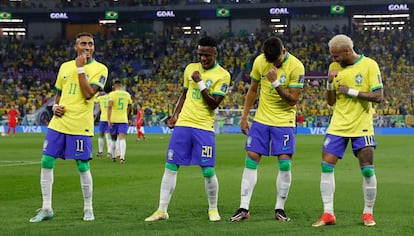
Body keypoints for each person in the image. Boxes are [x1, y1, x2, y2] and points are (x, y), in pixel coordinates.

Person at [145, 36, 230, 222]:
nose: (203, 58)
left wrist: (200, 83)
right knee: (170, 165)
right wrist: (175, 114)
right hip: (184, 124)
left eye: (207, 55)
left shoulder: (223, 75)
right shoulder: (190, 68)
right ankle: (161, 210)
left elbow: (214, 103)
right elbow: (184, 94)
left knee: (207, 170)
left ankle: (213, 209)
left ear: (215, 53)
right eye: (200, 54)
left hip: (203, 127)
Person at [29, 32, 108, 223]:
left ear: (94, 47)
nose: (87, 47)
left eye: (90, 44)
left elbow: (89, 94)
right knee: (47, 161)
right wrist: (55, 106)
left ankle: (88, 208)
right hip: (59, 123)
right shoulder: (65, 66)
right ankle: (47, 207)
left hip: (80, 125)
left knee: (82, 165)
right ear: (76, 46)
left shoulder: (100, 69)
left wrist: (81, 69)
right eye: (83, 44)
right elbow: (59, 93)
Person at [229, 37, 305, 222]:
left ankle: (280, 208)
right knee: (251, 158)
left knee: (285, 163)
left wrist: (275, 83)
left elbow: (293, 100)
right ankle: (243, 207)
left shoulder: (296, 67)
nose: (273, 64)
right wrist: (245, 117)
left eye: (276, 61)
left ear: (284, 51)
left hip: (284, 121)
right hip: (262, 120)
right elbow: (253, 90)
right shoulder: (260, 61)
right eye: (270, 61)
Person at [312, 34, 383, 227]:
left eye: (336, 56)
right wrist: (328, 83)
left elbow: (378, 96)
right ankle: (328, 213)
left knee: (367, 171)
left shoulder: (369, 65)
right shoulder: (333, 68)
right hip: (338, 125)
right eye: (331, 56)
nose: (333, 60)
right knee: (326, 167)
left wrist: (351, 91)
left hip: (362, 126)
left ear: (347, 51)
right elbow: (330, 101)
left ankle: (368, 213)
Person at [107, 80, 132, 164]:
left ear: (114, 87)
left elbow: (110, 107)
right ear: (121, 86)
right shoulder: (127, 94)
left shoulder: (111, 94)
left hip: (114, 119)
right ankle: (122, 157)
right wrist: (128, 117)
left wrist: (108, 119)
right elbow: (130, 107)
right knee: (122, 138)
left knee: (113, 139)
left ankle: (114, 156)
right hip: (123, 119)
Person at [95, 84, 113, 157]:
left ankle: (100, 151)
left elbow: (94, 100)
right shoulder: (112, 97)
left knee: (101, 134)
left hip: (103, 118)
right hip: (110, 118)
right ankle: (109, 152)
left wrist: (97, 93)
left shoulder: (101, 98)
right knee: (109, 135)